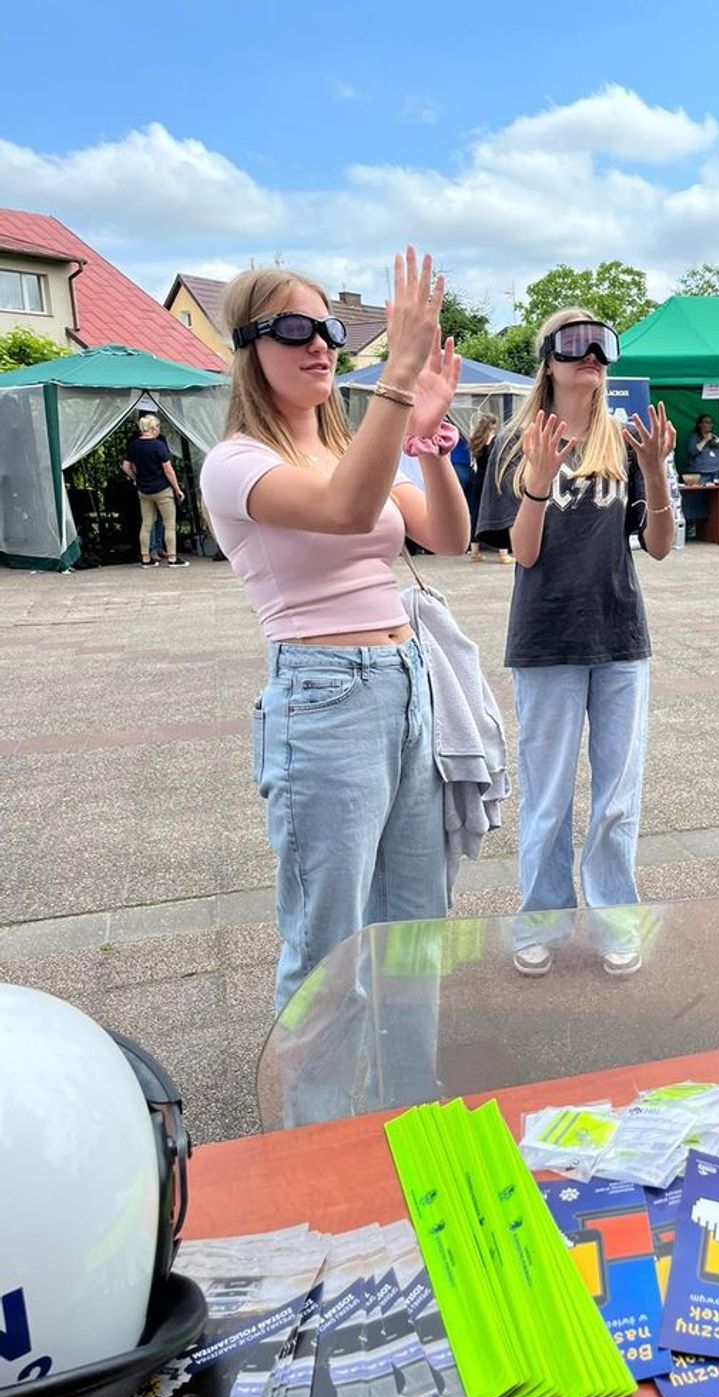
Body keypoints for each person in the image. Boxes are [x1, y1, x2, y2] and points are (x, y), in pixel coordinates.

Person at [200, 249, 470, 1013]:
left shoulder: (354, 448)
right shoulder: (236, 462)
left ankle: (405, 1103)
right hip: (324, 697)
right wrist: (397, 375)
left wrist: (425, 442)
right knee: (329, 943)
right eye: (294, 328)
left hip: (405, 681)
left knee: (416, 924)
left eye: (331, 327)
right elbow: (346, 510)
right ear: (250, 347)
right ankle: (318, 1127)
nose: (320, 343)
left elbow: (447, 537)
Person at [475, 309, 676, 977]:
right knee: (548, 794)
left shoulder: (625, 441)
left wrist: (657, 472)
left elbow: (660, 546)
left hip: (619, 634)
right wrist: (537, 479)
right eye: (572, 343)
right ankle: (542, 917)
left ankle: (615, 915)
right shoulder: (515, 442)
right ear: (548, 360)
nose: (590, 353)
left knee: (620, 794)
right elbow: (523, 554)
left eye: (602, 343)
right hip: (545, 636)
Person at [121, 414, 188, 565]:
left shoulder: (134, 445)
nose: (159, 429)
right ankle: (172, 557)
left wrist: (136, 479)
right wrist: (177, 489)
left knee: (146, 524)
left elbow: (126, 466)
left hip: (144, 490)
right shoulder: (158, 445)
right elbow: (168, 470)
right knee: (169, 524)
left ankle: (145, 558)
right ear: (153, 428)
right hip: (162, 489)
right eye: (158, 426)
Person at [466, 413, 511, 564]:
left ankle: (474, 552)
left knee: (476, 515)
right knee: (499, 513)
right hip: (490, 481)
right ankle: (503, 554)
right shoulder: (496, 441)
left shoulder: (476, 441)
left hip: (477, 480)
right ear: (492, 426)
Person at [685, 414, 719, 481]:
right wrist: (705, 440)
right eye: (706, 422)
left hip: (715, 471)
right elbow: (692, 451)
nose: (709, 424)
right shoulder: (694, 437)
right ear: (700, 424)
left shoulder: (714, 436)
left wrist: (717, 444)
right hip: (699, 473)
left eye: (711, 422)